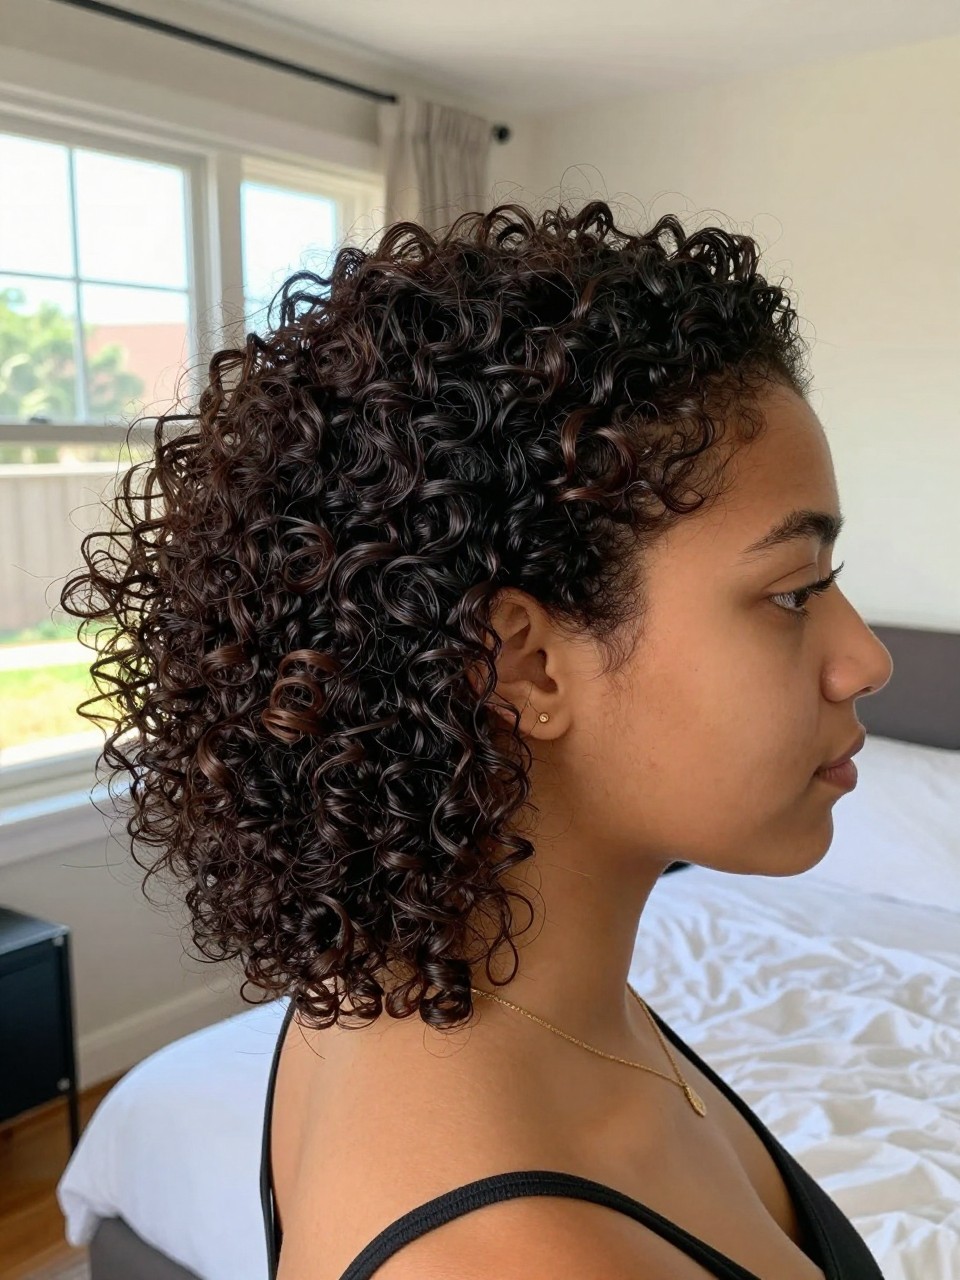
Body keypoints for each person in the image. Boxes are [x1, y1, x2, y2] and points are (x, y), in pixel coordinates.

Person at [60, 200, 893, 1279]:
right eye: (793, 591)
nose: (865, 658)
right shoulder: (501, 1257)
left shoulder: (430, 985)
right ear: (528, 663)